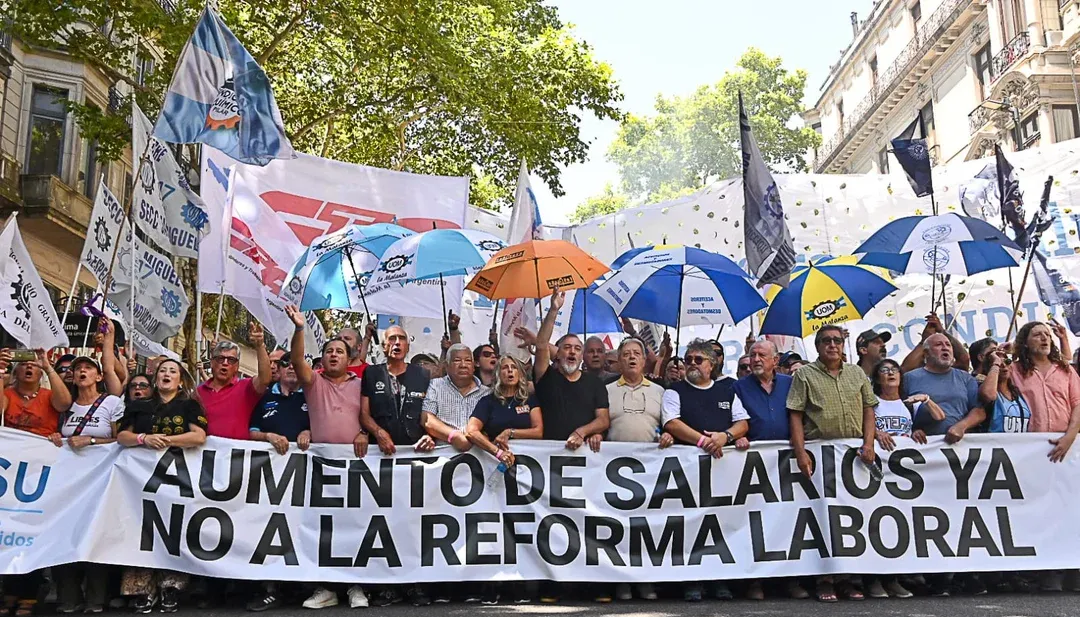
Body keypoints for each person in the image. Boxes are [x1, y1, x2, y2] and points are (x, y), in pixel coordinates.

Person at [284, 307, 369, 609]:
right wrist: (299, 329)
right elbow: (297, 361)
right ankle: (326, 588)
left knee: (354, 526)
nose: (334, 355)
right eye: (329, 351)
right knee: (324, 528)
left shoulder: (362, 385)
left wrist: (365, 433)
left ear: (350, 358)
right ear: (321, 359)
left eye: (339, 352)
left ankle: (356, 586)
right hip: (320, 468)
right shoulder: (314, 382)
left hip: (356, 467)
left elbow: (373, 417)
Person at [787, 325, 877, 603]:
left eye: (837, 340)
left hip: (853, 457)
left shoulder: (857, 373)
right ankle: (824, 580)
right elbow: (795, 415)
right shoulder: (804, 375)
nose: (833, 345)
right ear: (818, 346)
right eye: (826, 340)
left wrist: (869, 443)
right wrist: (800, 453)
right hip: (821, 454)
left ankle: (848, 579)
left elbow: (869, 409)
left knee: (852, 518)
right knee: (825, 519)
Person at [531, 290, 610, 603]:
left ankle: (594, 584)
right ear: (557, 354)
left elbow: (603, 419)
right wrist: (553, 310)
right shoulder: (546, 377)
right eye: (567, 347)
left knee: (588, 521)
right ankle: (553, 584)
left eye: (578, 348)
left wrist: (584, 431)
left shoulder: (595, 383)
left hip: (585, 464)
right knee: (553, 523)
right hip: (550, 464)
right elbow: (540, 345)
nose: (573, 352)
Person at [116, 359, 207, 613]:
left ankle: (170, 587)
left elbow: (198, 436)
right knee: (142, 529)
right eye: (162, 371)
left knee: (172, 528)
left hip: (177, 478)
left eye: (172, 371)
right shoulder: (140, 405)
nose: (167, 374)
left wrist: (167, 440)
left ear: (180, 379)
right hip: (141, 480)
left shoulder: (189, 405)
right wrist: (143, 438)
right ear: (156, 378)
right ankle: (143, 589)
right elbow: (122, 436)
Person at [901, 332, 986, 597]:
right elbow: (899, 409)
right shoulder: (911, 378)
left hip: (959, 454)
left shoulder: (964, 378)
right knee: (931, 515)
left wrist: (962, 426)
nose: (945, 348)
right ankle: (936, 576)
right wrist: (912, 430)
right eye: (938, 344)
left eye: (948, 344)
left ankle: (965, 575)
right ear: (926, 353)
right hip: (924, 458)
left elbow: (979, 410)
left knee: (963, 513)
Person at [661, 339, 746, 602]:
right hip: (686, 471)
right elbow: (671, 423)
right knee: (689, 524)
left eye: (699, 359)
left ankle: (720, 579)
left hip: (721, 469)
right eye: (688, 360)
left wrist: (725, 437)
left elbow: (742, 422)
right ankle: (692, 580)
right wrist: (703, 442)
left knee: (720, 522)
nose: (692, 364)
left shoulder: (727, 391)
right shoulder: (675, 391)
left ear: (712, 364)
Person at [359, 324, 434, 607]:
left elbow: (431, 413)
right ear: (383, 345)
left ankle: (416, 584)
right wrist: (377, 432)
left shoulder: (422, 375)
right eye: (391, 338)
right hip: (381, 460)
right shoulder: (372, 373)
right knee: (384, 523)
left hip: (416, 460)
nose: (397, 343)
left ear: (408, 345)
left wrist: (431, 435)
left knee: (414, 523)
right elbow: (364, 413)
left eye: (402, 338)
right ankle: (387, 585)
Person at [731, 340, 808, 601]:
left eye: (761, 355)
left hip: (787, 463)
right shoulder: (738, 387)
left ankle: (791, 579)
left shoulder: (790, 384)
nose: (755, 359)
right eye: (752, 355)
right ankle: (756, 581)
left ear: (775, 360)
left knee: (789, 520)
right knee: (756, 521)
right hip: (753, 465)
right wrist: (737, 436)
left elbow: (801, 416)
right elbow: (733, 419)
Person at [466, 355, 543, 605]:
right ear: (498, 374)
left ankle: (517, 584)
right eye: (505, 368)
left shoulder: (529, 400)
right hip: (494, 471)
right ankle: (490, 584)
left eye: (514, 368)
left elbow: (538, 431)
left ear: (521, 374)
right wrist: (496, 451)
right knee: (493, 525)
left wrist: (511, 432)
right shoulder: (488, 401)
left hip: (524, 475)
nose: (510, 371)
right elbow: (471, 430)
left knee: (518, 525)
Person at [51, 356, 124, 613]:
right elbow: (55, 434)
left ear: (99, 376)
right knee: (64, 535)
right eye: (78, 368)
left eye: (88, 368)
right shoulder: (64, 405)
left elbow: (120, 438)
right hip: (67, 484)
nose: (82, 371)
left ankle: (96, 598)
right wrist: (55, 438)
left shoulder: (111, 403)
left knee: (95, 536)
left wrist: (91, 441)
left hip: (100, 481)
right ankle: (68, 597)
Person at [0, 349, 68, 617]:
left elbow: (64, 404)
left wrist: (48, 366)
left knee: (31, 529)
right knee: (9, 529)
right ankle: (10, 589)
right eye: (24, 365)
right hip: (11, 473)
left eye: (34, 366)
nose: (29, 368)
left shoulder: (48, 396)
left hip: (39, 471)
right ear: (16, 371)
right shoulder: (8, 394)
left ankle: (30, 589)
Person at [866, 357, 938, 600]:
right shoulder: (872, 403)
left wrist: (925, 401)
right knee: (875, 523)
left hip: (903, 475)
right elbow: (860, 425)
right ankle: (873, 579)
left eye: (894, 369)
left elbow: (939, 417)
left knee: (897, 526)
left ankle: (893, 579)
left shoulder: (908, 405)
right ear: (877, 378)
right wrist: (876, 432)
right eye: (884, 370)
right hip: (876, 472)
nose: (890, 373)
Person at [605, 337, 669, 602]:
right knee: (618, 528)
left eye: (636, 354)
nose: (631, 357)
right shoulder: (606, 390)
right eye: (626, 354)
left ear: (644, 360)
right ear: (619, 361)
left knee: (647, 528)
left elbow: (670, 424)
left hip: (650, 471)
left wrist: (669, 435)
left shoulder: (660, 391)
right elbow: (598, 422)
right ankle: (621, 582)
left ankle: (645, 581)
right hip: (613, 472)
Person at [1009, 321, 1080, 461]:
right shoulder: (1013, 370)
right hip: (1027, 446)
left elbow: (1078, 404)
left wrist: (1070, 437)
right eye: (1037, 335)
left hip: (1066, 444)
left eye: (1047, 334)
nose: (1044, 338)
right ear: (1025, 343)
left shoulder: (1065, 369)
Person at [196, 325, 272, 440]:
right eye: (220, 358)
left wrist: (260, 346)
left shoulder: (246, 388)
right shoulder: (198, 393)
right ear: (212, 363)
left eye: (231, 360)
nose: (225, 363)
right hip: (205, 451)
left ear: (237, 366)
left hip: (236, 451)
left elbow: (265, 379)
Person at [422, 344, 488, 456]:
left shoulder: (486, 393)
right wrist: (453, 436)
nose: (463, 365)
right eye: (457, 360)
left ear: (473, 366)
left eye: (468, 360)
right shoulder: (435, 385)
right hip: (443, 457)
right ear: (447, 366)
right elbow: (427, 419)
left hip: (480, 457)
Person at [978, 349, 1031, 434]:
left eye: (1007, 362)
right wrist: (996, 364)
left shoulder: (1016, 392)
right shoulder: (985, 388)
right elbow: (988, 395)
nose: (1003, 365)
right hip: (994, 442)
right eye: (999, 363)